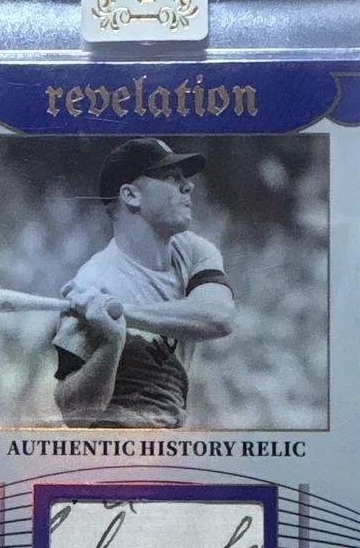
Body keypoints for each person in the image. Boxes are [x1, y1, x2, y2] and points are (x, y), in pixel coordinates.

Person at [52, 138, 234, 428]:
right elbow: (74, 415)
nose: (188, 186)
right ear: (131, 195)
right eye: (171, 177)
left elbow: (219, 317)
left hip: (169, 432)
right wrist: (110, 345)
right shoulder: (92, 283)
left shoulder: (193, 251)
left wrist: (121, 313)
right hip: (115, 440)